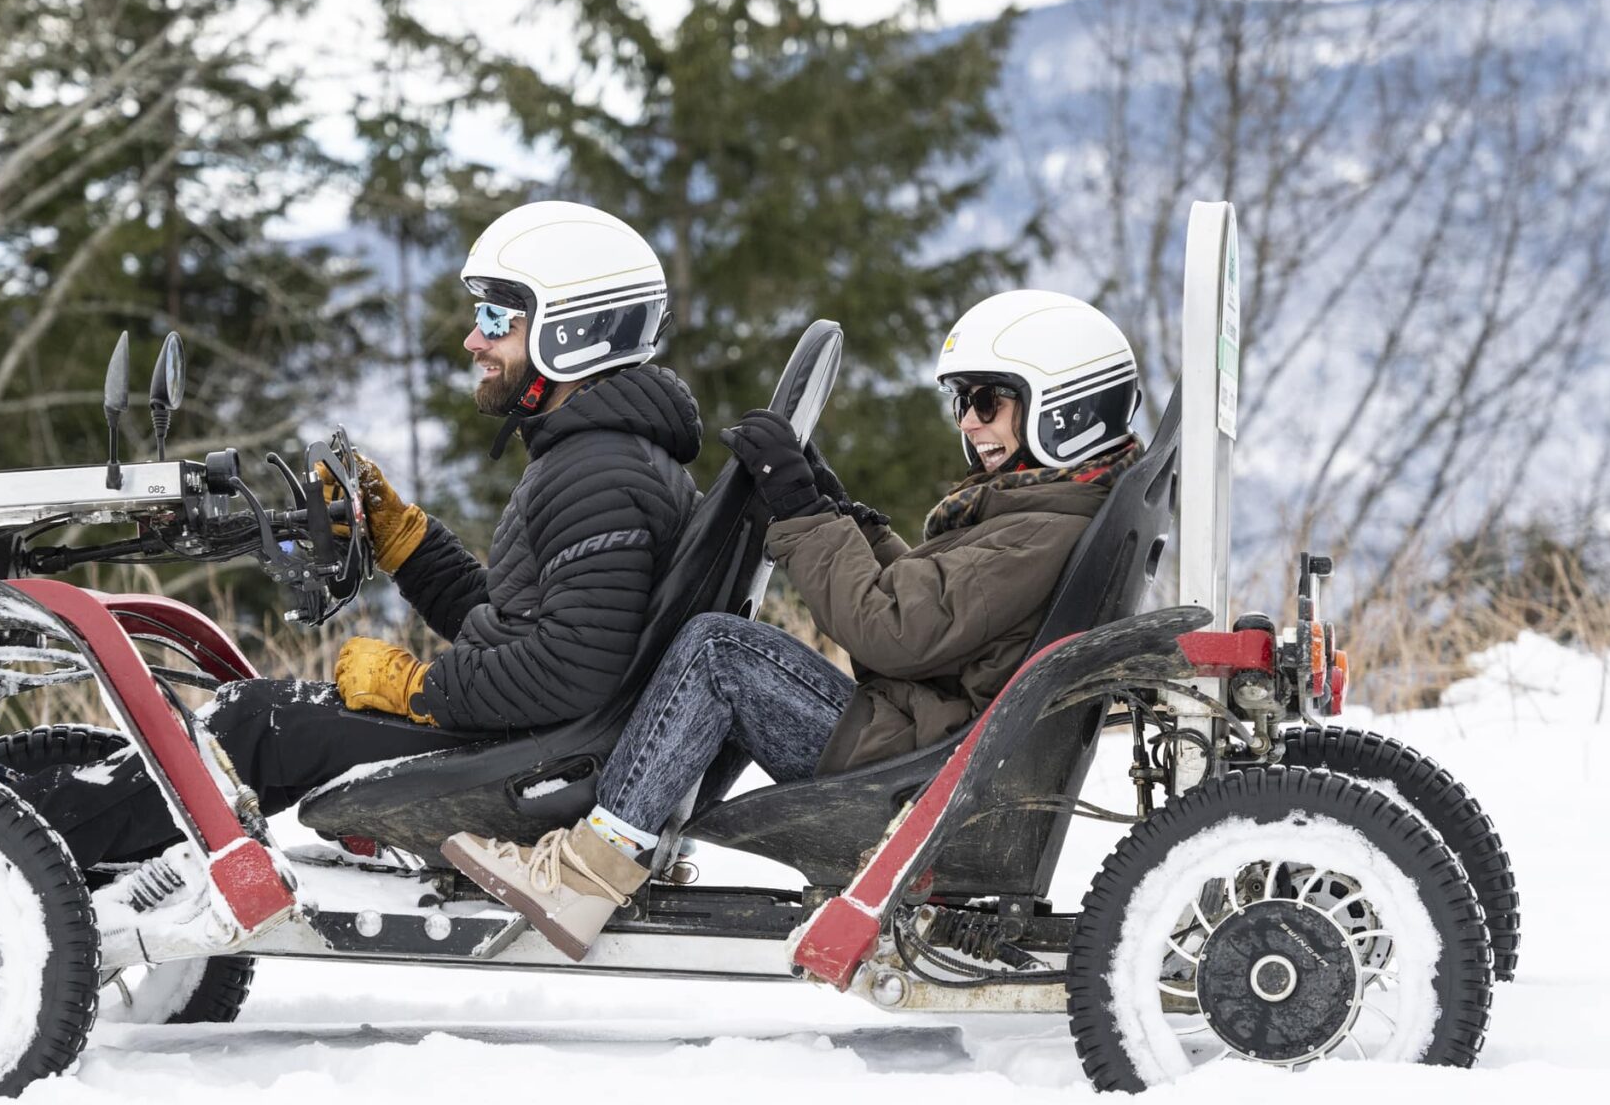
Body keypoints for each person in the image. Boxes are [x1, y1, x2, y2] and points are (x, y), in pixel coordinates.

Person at [439, 289, 1143, 959]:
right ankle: (638, 837)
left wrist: (805, 515)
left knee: (718, 650)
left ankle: (588, 872)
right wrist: (841, 511)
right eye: (964, 401)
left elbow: (890, 632)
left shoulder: (1040, 530)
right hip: (928, 749)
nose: (968, 421)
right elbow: (930, 606)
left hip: (919, 780)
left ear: (1066, 408)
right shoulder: (1045, 509)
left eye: (988, 400)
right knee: (725, 651)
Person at [15, 199, 704, 867]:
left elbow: (567, 671)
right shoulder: (601, 456)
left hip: (536, 761)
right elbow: (518, 626)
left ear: (574, 329)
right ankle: (42, 826)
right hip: (540, 743)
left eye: (497, 318)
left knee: (255, 726)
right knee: (254, 720)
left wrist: (416, 688)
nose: (474, 340)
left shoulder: (600, 472)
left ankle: (5, 844)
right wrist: (404, 540)